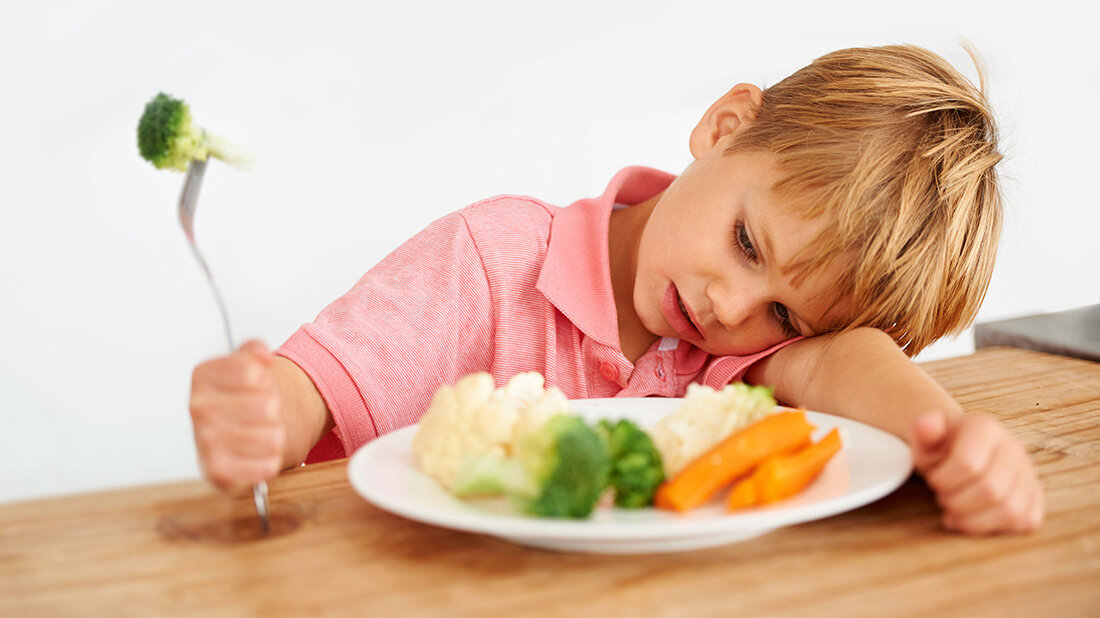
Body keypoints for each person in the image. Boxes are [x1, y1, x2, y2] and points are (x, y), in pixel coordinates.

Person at [188, 44, 1043, 535]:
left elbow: (847, 359)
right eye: (747, 242)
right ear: (724, 127)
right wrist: (260, 413)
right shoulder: (491, 259)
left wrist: (955, 438)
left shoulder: (736, 359)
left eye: (785, 314)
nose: (731, 308)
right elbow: (312, 395)